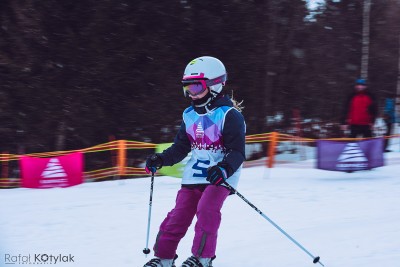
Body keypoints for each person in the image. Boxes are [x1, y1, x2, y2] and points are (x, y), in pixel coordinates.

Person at [143, 56, 246, 267]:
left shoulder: (229, 116)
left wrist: (224, 169)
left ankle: (202, 258)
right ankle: (163, 258)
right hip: (194, 174)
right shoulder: (189, 115)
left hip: (220, 175)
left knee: (207, 209)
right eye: (187, 88)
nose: (192, 93)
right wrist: (161, 159)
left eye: (197, 87)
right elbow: (181, 147)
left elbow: (237, 152)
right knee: (178, 215)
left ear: (215, 85)